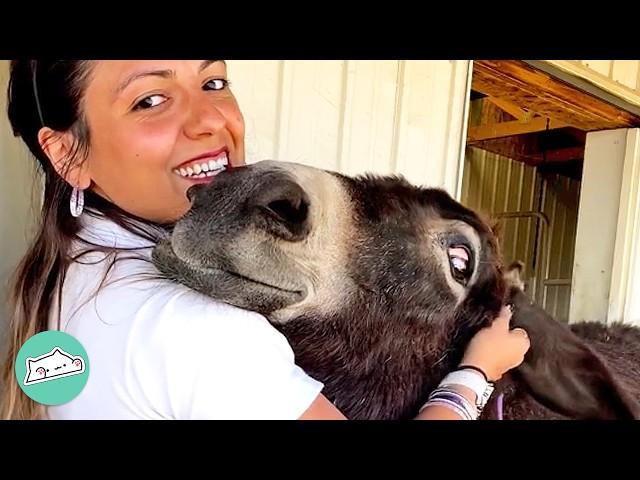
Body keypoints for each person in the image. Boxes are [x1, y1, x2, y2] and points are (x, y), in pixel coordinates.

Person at [0, 60, 530, 420]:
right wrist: (476, 373)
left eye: (212, 83)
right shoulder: (198, 330)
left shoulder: (69, 267)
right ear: (68, 154)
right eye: (151, 99)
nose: (212, 120)